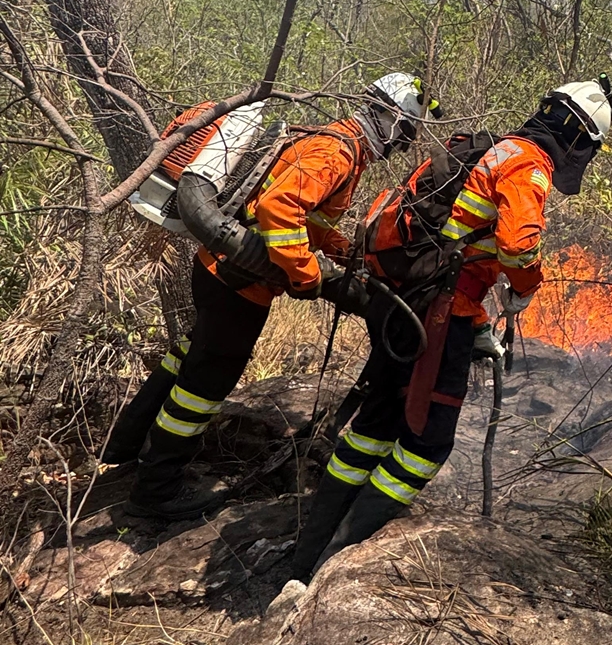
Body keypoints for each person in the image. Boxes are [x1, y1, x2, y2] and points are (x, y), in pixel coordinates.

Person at [290, 78, 612, 581]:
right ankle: (339, 564)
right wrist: (525, 288)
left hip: (399, 300)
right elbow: (519, 246)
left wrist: (481, 318)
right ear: (578, 138)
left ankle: (306, 557)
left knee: (375, 428)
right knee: (428, 442)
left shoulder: (487, 149)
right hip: (438, 312)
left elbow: (452, 241)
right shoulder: (527, 164)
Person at [102, 73, 442, 520]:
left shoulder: (340, 145)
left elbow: (305, 216)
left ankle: (128, 441)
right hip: (240, 282)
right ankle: (156, 491)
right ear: (389, 117)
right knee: (203, 390)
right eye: (405, 132)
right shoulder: (336, 151)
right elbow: (278, 209)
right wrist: (305, 276)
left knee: (190, 355)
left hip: (218, 271)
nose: (401, 144)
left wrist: (343, 251)